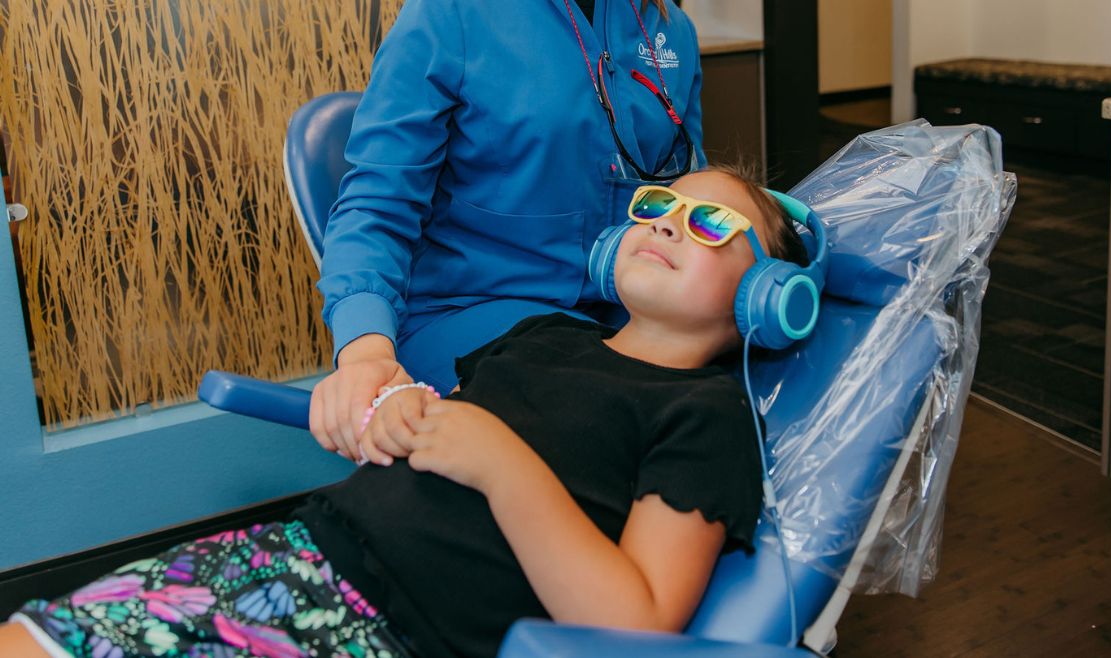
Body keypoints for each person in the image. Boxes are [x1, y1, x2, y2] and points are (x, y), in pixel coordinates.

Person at [0, 168, 815, 658]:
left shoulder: (707, 418)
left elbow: (635, 626)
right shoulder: (542, 337)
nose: (669, 222)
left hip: (393, 631)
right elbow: (438, 433)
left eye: (711, 223)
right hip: (295, 550)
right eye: (655, 206)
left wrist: (501, 465)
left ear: (764, 293)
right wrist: (395, 418)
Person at [312, 0, 709, 466]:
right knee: (626, 422)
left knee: (722, 404)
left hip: (630, 313)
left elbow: (690, 194)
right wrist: (366, 356)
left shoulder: (670, 29)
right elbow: (377, 205)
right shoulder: (451, 15)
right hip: (471, 306)